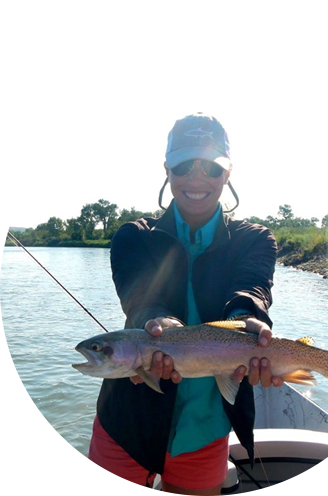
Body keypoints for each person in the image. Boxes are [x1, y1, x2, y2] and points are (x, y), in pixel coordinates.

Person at [87, 113, 282, 496]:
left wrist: (246, 320)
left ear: (227, 173)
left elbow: (251, 288)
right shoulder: (133, 237)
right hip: (127, 422)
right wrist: (156, 320)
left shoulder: (255, 239)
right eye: (183, 165)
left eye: (210, 166)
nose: (196, 177)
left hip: (205, 428)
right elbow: (140, 297)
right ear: (167, 170)